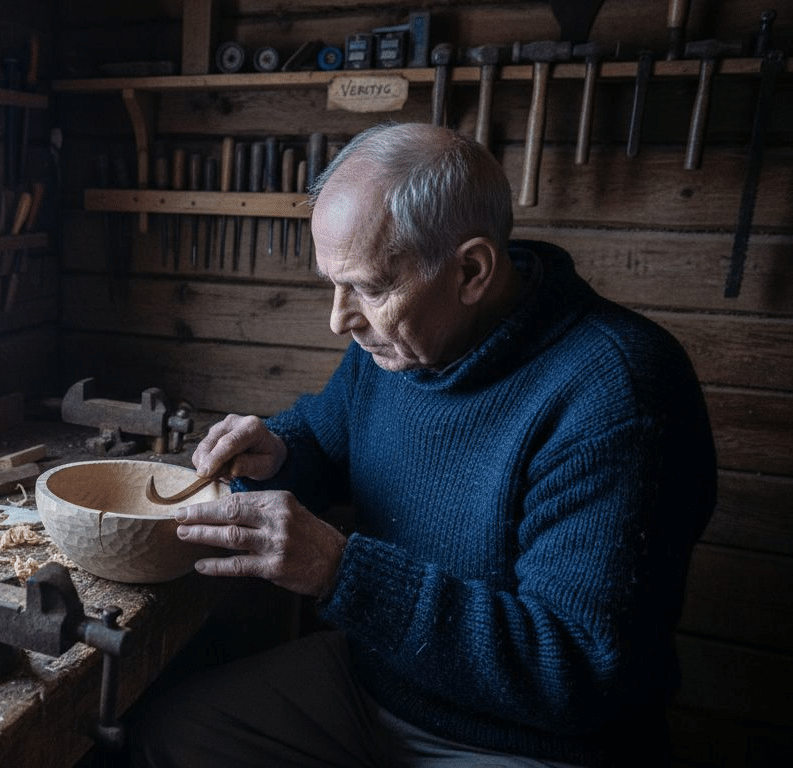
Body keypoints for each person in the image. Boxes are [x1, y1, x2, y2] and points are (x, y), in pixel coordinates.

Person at [128, 122, 716, 768]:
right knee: (172, 736)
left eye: (371, 288)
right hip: (376, 684)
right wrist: (279, 451)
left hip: (533, 742)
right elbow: (328, 436)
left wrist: (341, 572)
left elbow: (578, 671)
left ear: (470, 270)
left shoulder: (619, 393)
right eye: (332, 282)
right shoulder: (397, 346)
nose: (339, 319)